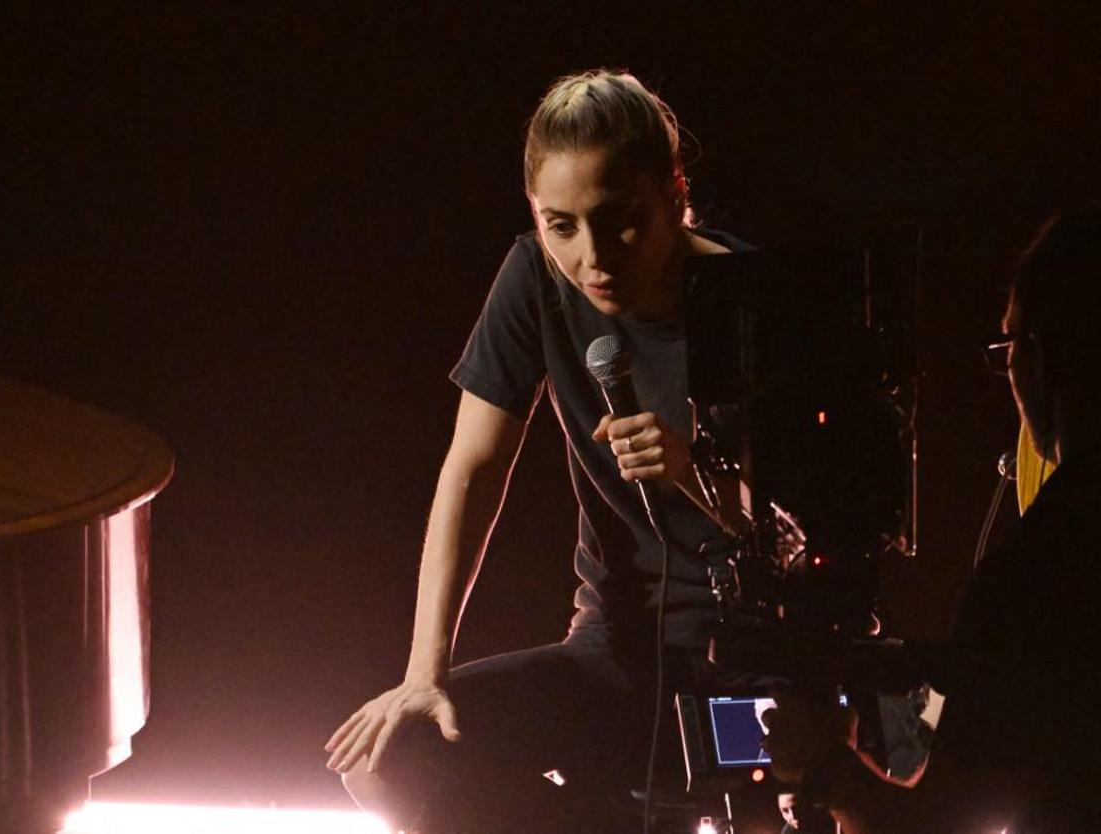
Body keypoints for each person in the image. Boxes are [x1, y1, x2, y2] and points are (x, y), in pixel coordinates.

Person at [324, 69, 757, 832]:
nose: (593, 257)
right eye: (562, 226)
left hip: (753, 669)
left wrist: (693, 473)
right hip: (612, 657)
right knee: (384, 760)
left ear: (673, 193)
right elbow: (473, 469)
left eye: (620, 220)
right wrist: (424, 673)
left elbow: (811, 537)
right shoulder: (535, 277)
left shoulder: (756, 297)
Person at [762, 209, 1101, 833]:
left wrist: (823, 763)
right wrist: (934, 663)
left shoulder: (1044, 564)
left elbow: (938, 824)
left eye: (1008, 347)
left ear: (1041, 357)